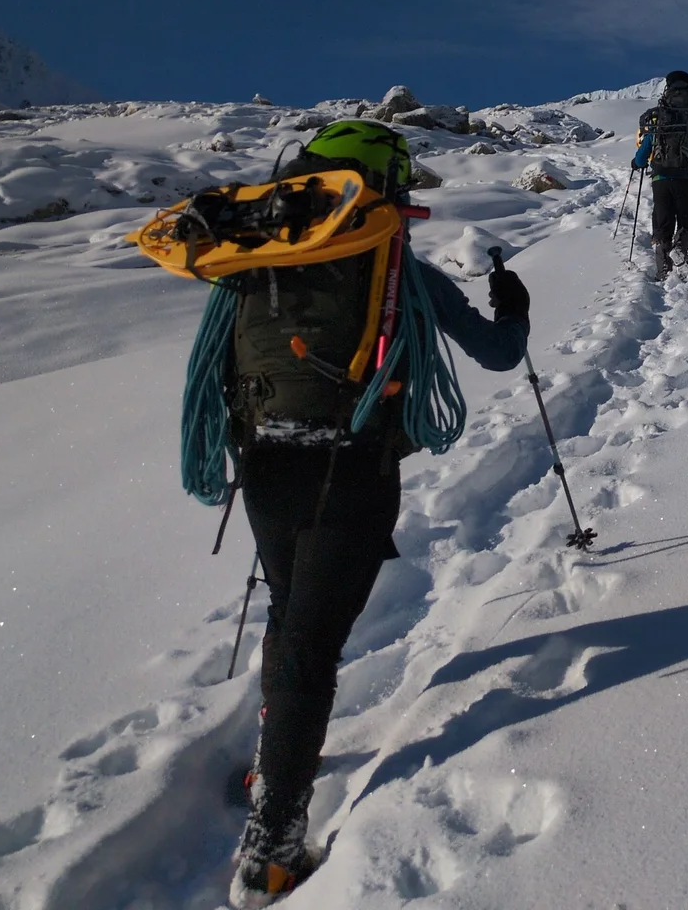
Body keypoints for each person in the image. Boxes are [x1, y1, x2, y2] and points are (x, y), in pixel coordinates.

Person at [221, 120, 530, 907]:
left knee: (289, 610)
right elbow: (497, 353)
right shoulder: (397, 267)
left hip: (263, 463)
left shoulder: (260, 259)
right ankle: (274, 845)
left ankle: (274, 761)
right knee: (313, 640)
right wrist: (512, 304)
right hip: (349, 467)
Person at [631, 70, 688, 278]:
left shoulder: (659, 122)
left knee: (663, 222)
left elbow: (642, 157)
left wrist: (636, 163)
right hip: (686, 179)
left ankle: (663, 269)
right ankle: (679, 250)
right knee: (685, 221)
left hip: (660, 179)